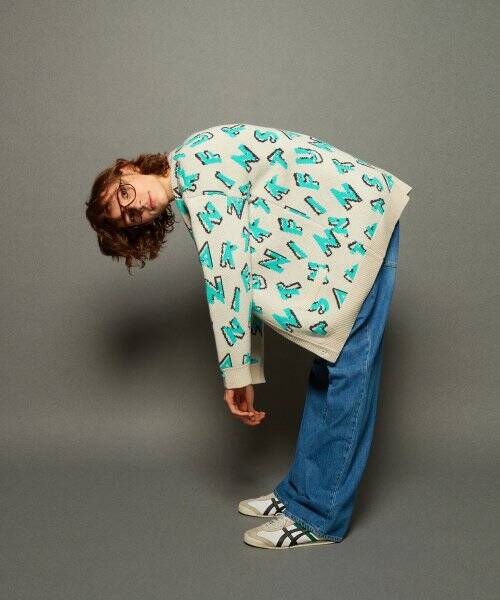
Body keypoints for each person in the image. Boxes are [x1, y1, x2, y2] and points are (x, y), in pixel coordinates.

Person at [85, 123, 412, 549]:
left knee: (349, 372)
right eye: (130, 218)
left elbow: (228, 276)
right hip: (351, 230)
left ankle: (320, 516)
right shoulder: (187, 169)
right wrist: (245, 367)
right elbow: (241, 269)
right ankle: (300, 495)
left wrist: (238, 374)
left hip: (360, 226)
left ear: (129, 169)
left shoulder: (197, 175)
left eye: (125, 194)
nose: (137, 207)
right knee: (330, 368)